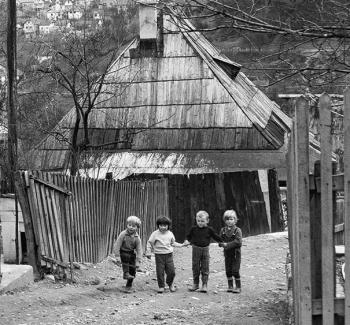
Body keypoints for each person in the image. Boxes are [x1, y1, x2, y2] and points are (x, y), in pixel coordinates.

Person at [183, 210, 222, 293]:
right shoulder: (193, 229)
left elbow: (216, 236)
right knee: (195, 267)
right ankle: (195, 284)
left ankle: (204, 285)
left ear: (207, 221)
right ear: (196, 220)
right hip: (196, 249)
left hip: (205, 250)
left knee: (205, 267)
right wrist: (186, 241)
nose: (200, 223)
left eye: (202, 221)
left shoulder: (209, 230)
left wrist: (222, 241)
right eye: (198, 221)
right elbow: (188, 236)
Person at [145, 216, 183, 293]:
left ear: (168, 226)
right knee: (160, 271)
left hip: (169, 255)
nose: (163, 227)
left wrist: (181, 245)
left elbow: (173, 243)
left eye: (165, 225)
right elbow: (149, 242)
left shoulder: (170, 234)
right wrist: (148, 251)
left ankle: (170, 284)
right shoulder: (155, 234)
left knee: (171, 272)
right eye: (161, 225)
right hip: (159, 256)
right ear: (158, 225)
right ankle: (161, 286)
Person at [112, 216, 142, 292]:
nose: (131, 227)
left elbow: (139, 250)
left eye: (133, 226)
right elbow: (117, 245)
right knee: (125, 257)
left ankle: (129, 285)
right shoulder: (123, 234)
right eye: (129, 225)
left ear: (137, 227)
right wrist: (117, 256)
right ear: (127, 225)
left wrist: (138, 262)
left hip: (131, 253)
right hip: (123, 252)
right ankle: (126, 273)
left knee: (133, 269)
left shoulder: (137, 238)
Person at [219, 209, 242, 293]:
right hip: (227, 254)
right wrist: (221, 243)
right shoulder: (223, 230)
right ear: (225, 220)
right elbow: (220, 240)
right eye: (227, 219)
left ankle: (238, 287)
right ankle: (230, 286)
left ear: (235, 220)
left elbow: (238, 242)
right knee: (228, 270)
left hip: (236, 254)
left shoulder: (237, 230)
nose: (229, 221)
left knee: (235, 270)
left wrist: (227, 245)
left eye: (231, 219)